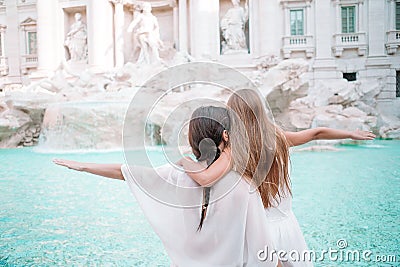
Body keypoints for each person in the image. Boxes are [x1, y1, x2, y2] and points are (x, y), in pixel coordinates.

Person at [54, 106, 281, 267]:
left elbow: (127, 172)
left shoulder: (178, 174)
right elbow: (263, 252)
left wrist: (84, 166)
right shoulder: (244, 187)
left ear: (194, 138)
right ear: (227, 136)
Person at [177, 89, 376, 266]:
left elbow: (205, 178)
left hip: (257, 232)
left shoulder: (235, 149)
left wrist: (185, 161)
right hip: (288, 227)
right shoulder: (278, 137)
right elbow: (317, 133)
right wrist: (350, 133)